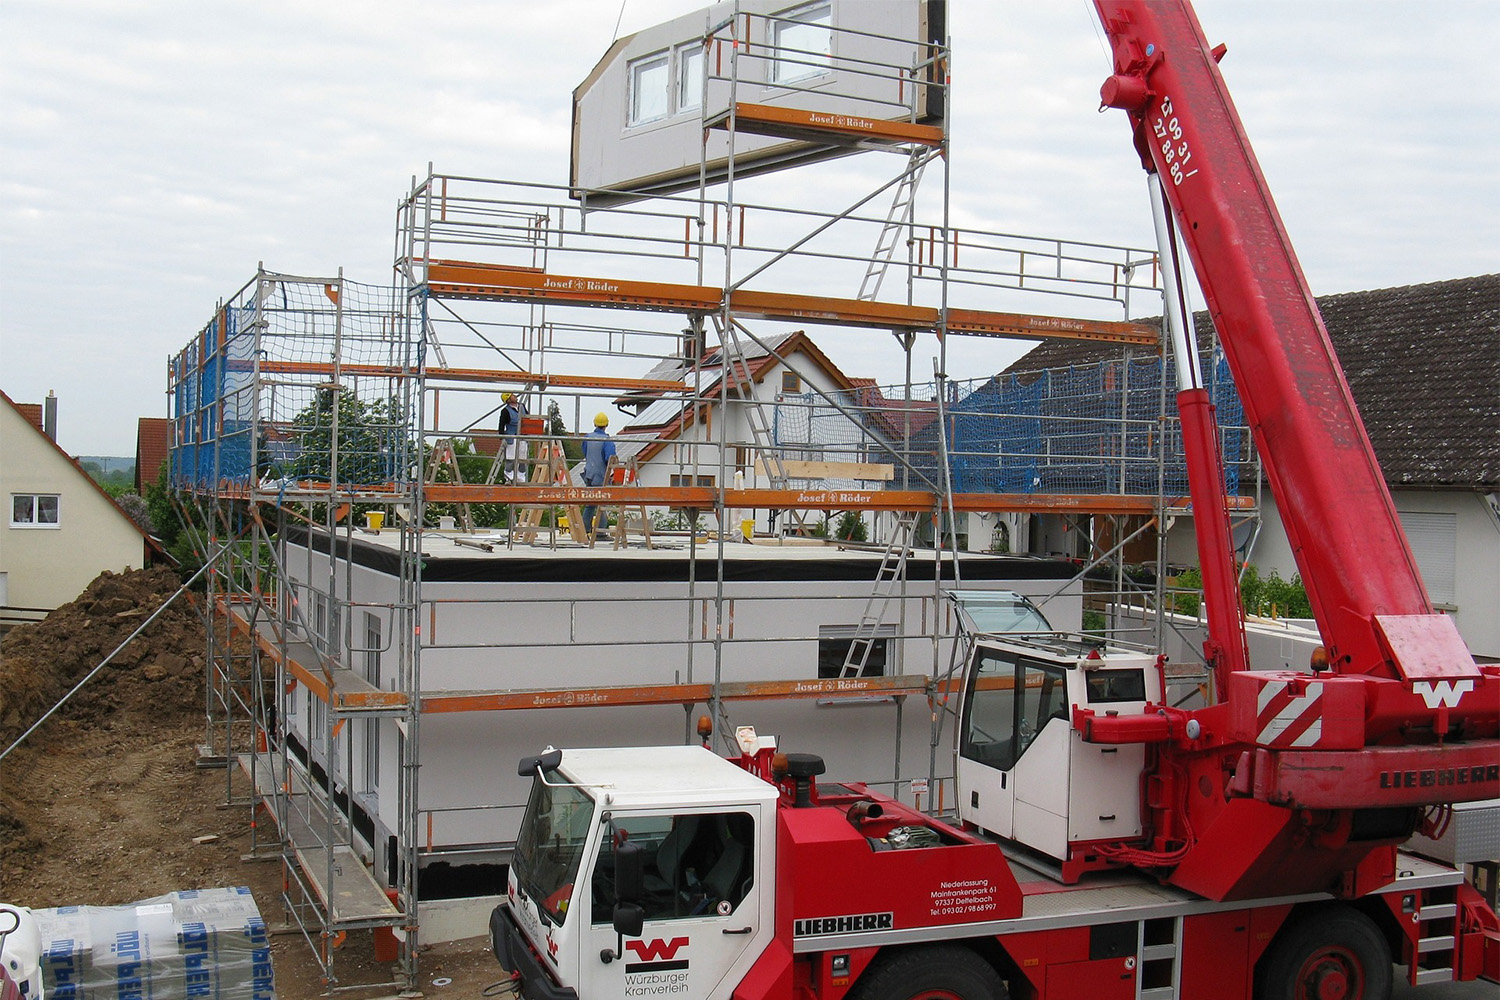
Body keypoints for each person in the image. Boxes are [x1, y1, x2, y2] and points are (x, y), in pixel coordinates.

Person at [580, 411, 617, 539]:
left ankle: (584, 531)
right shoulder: (607, 440)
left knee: (590, 504)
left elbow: (585, 453)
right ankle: (600, 533)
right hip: (601, 475)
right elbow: (610, 459)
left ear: (594, 423)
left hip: (588, 474)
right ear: (606, 424)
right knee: (602, 504)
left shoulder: (587, 437)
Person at [497, 392, 529, 483]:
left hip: (523, 436)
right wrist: (502, 437)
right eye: (512, 395)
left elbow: (528, 418)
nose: (515, 396)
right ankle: (508, 477)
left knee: (522, 457)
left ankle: (520, 478)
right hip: (511, 436)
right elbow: (501, 424)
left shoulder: (522, 407)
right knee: (510, 458)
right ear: (508, 399)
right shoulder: (505, 411)